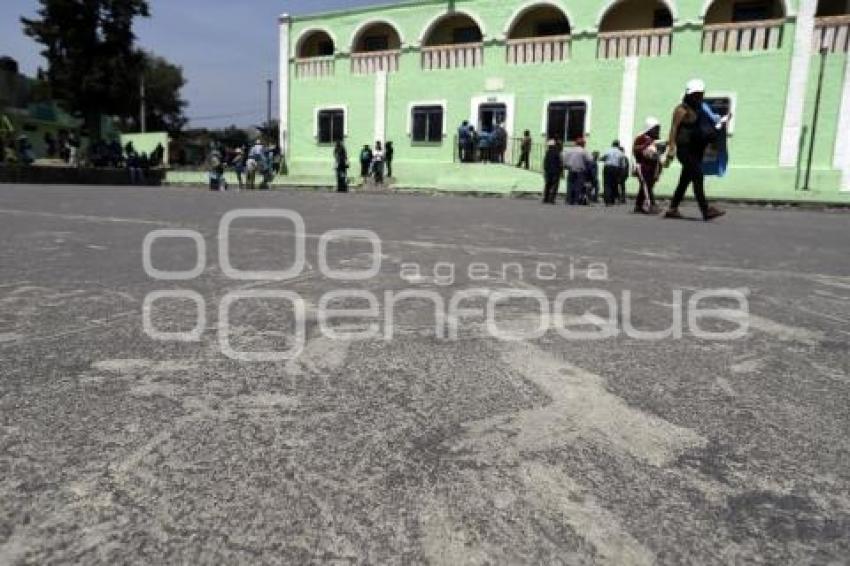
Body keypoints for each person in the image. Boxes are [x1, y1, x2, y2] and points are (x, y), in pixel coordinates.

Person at [664, 79, 726, 221]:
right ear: (689, 94)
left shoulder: (699, 108)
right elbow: (673, 128)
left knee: (684, 181)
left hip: (696, 150)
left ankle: (672, 208)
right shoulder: (681, 110)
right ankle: (706, 210)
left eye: (700, 94)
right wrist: (671, 148)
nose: (699, 97)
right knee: (698, 175)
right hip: (685, 150)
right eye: (696, 94)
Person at [633, 117, 664, 214]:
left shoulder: (655, 140)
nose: (657, 131)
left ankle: (638, 206)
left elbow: (658, 153)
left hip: (652, 167)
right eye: (656, 129)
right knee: (647, 186)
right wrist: (646, 144)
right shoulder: (641, 138)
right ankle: (651, 205)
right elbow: (636, 149)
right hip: (643, 167)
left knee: (645, 187)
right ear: (649, 128)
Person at [561, 137, 593, 205]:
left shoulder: (569, 150)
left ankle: (569, 200)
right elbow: (590, 160)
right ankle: (576, 200)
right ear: (582, 144)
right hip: (580, 171)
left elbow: (564, 160)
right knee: (578, 186)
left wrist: (565, 166)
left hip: (571, 170)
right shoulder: (583, 151)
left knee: (570, 185)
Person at [601, 141, 625, 206]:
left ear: (612, 144)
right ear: (618, 145)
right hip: (616, 169)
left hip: (607, 167)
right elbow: (622, 165)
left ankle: (607, 201)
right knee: (614, 184)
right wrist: (621, 174)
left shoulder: (608, 150)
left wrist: (605, 160)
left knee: (606, 184)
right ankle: (612, 200)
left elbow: (602, 158)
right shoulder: (621, 153)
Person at [542, 139, 562, 204]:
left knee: (547, 185)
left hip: (548, 171)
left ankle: (545, 198)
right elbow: (559, 163)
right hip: (555, 172)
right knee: (554, 186)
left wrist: (545, 170)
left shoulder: (547, 152)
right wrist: (560, 171)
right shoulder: (557, 153)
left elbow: (545, 162)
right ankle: (552, 199)